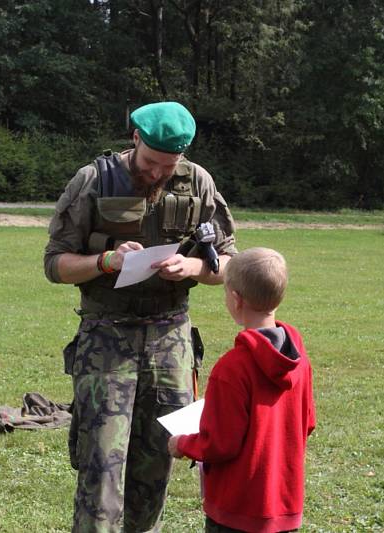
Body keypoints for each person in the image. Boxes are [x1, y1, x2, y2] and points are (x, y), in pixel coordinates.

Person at [44, 101, 238, 532]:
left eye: (169, 167)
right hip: (106, 339)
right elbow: (55, 264)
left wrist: (194, 268)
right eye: (151, 163)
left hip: (170, 342)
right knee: (101, 471)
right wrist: (107, 261)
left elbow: (228, 263)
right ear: (135, 138)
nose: (157, 174)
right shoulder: (94, 180)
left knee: (157, 466)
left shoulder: (199, 183)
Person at [168, 247, 316, 533]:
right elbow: (307, 423)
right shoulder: (299, 359)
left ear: (235, 300)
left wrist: (182, 444)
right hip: (284, 507)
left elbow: (220, 444)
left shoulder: (232, 368)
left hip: (236, 512)